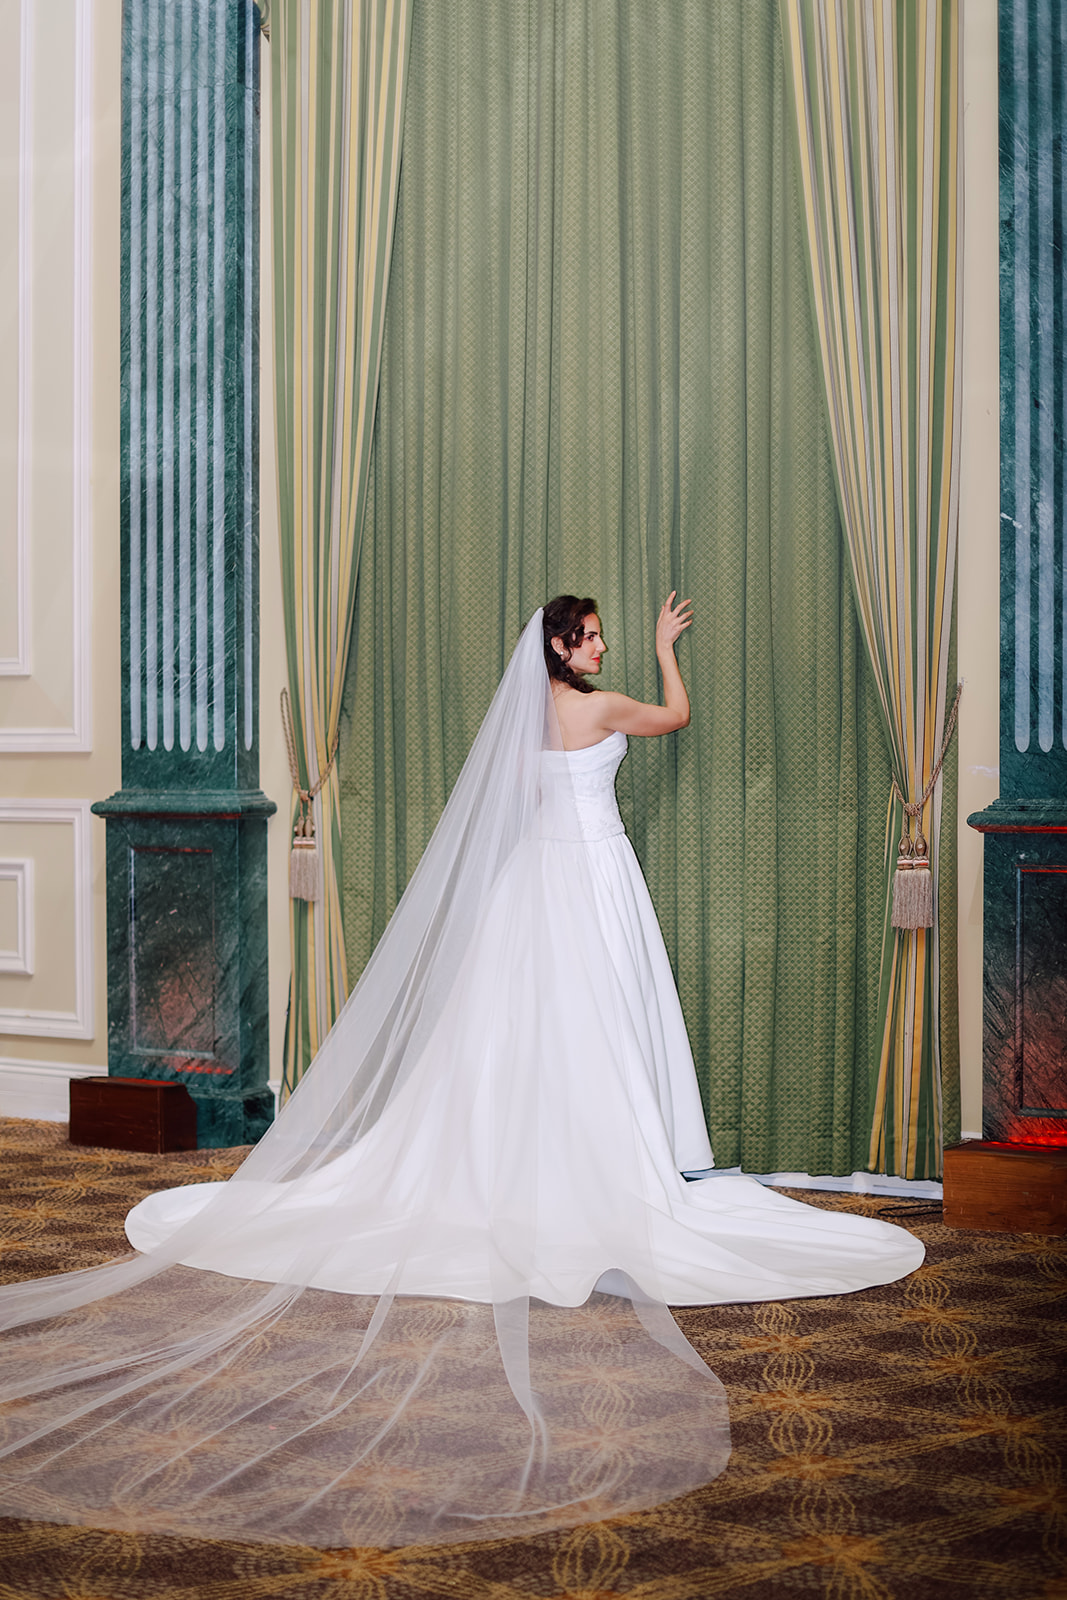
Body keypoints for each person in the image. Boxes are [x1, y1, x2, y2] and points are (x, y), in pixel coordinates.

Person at [0, 597, 923, 1550]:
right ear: (562, 649)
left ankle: (523, 1167)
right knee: (596, 1021)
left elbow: (507, 820)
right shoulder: (602, 711)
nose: (600, 646)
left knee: (521, 1035)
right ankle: (592, 1173)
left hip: (536, 884)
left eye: (605, 635)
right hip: (595, 878)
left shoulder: (522, 723)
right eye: (591, 636)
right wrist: (663, 654)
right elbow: (675, 718)